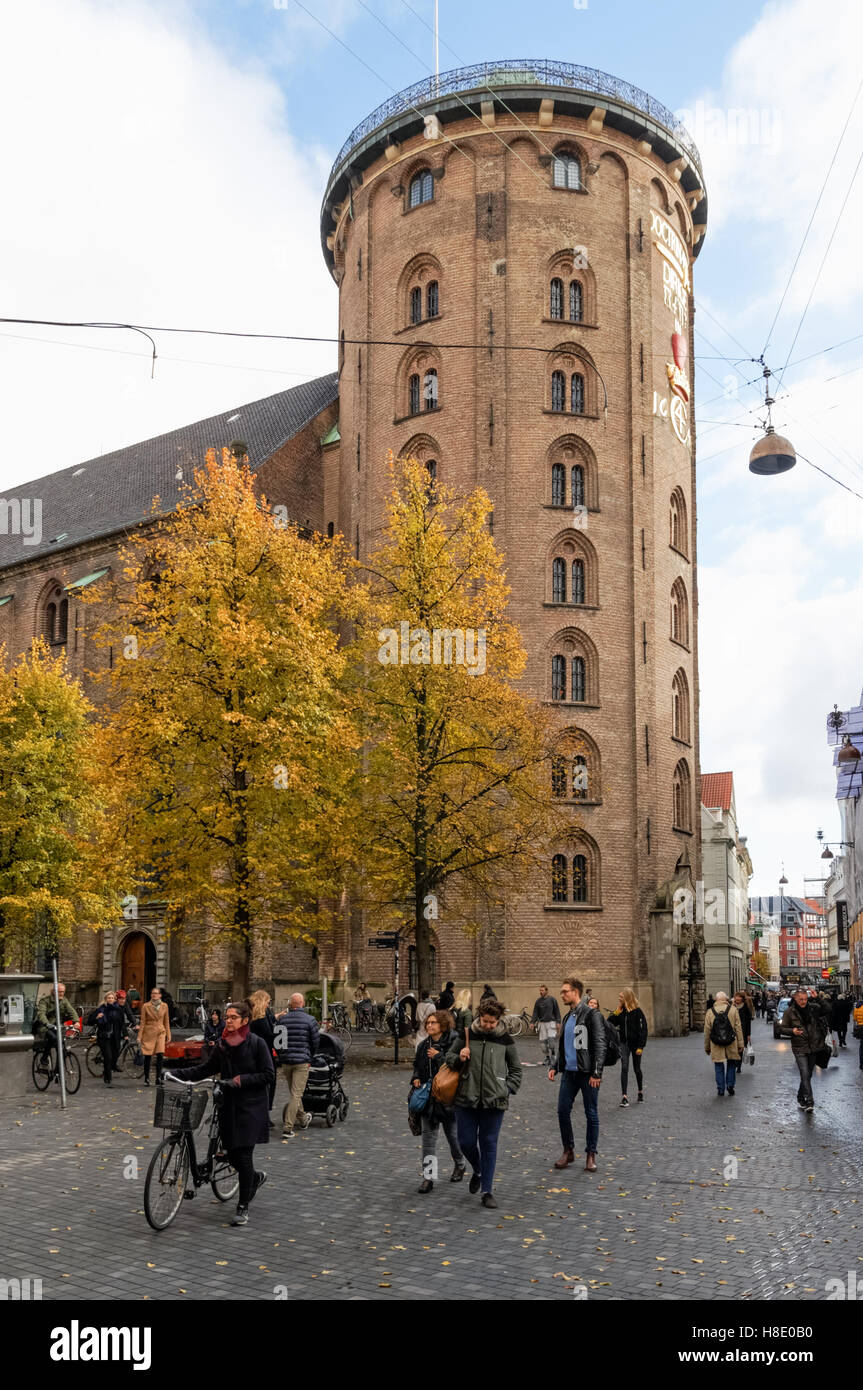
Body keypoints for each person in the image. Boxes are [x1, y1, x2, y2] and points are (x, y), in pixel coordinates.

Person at [166, 999, 273, 1227]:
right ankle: (254, 1178)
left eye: (233, 1017)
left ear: (245, 1020)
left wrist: (241, 1080)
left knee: (243, 1156)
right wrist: (176, 1073)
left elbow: (268, 1074)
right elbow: (205, 1069)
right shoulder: (223, 1045)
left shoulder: (257, 1043)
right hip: (227, 1104)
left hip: (250, 1107)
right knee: (231, 1154)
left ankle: (243, 1205)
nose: (229, 1021)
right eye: (227, 1017)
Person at [445, 998, 522, 1209]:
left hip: (494, 1101)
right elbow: (449, 1057)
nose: (488, 1025)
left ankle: (487, 1190)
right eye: (485, 1021)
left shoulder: (505, 1039)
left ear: (498, 1020)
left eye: (492, 1022)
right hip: (465, 1098)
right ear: (480, 1016)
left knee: (489, 1143)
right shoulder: (468, 1033)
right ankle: (477, 1170)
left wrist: (507, 1089)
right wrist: (459, 1057)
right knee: (465, 1141)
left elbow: (516, 1070)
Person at [549, 977, 606, 1173]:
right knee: (562, 1111)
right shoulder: (567, 1017)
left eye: (565, 991)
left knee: (591, 1113)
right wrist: (555, 1066)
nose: (562, 994)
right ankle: (568, 1150)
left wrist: (597, 1072)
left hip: (587, 1073)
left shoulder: (591, 1015)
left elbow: (600, 1044)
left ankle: (591, 1154)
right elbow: (564, 1045)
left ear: (575, 992)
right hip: (569, 1074)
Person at [411, 1010, 465, 1192]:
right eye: (427, 1023)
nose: (429, 1026)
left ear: (442, 1024)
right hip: (429, 1098)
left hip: (448, 1097)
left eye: (433, 1023)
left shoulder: (453, 1042)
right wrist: (416, 1077)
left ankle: (460, 1164)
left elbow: (457, 1065)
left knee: (453, 1137)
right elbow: (417, 1065)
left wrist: (438, 1056)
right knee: (428, 1140)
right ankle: (429, 1177)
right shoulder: (423, 1045)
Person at [779, 985, 831, 1112]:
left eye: (805, 999)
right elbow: (781, 1028)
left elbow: (828, 1009)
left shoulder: (813, 1008)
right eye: (800, 999)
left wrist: (818, 998)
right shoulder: (789, 1012)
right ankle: (809, 1101)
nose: (803, 1002)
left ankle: (800, 1097)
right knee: (804, 1073)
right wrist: (792, 1031)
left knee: (808, 1075)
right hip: (799, 1047)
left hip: (814, 1046)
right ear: (795, 999)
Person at [275, 992, 319, 1137]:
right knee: (296, 1094)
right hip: (302, 1062)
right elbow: (315, 1042)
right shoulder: (310, 1020)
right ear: (303, 1003)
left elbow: (277, 1042)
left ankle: (303, 1118)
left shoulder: (282, 1020)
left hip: (286, 1061)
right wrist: (309, 1056)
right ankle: (288, 1127)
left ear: (290, 1004)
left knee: (295, 1093)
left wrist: (282, 1055)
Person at [608, 988, 648, 1105]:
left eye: (621, 997)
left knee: (637, 1069)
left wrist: (641, 1046)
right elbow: (609, 1024)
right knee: (624, 1068)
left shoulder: (637, 1012)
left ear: (627, 998)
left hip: (636, 1045)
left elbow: (643, 1030)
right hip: (623, 1044)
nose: (619, 999)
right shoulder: (621, 1012)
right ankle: (624, 1096)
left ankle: (640, 1091)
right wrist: (616, 1011)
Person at [704, 992, 743, 1097]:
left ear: (716, 1000)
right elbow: (738, 1028)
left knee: (718, 1064)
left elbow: (707, 1031)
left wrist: (707, 1047)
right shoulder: (733, 1010)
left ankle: (720, 1089)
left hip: (716, 1043)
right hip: (731, 1042)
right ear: (726, 999)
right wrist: (741, 1044)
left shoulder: (710, 1012)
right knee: (731, 1063)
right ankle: (730, 1085)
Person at [248, 990, 277, 1122]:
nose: (268, 1004)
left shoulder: (251, 1017)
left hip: (252, 1056)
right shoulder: (261, 1020)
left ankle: (258, 1112)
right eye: (267, 1002)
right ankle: (264, 1113)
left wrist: (275, 1017)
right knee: (268, 1085)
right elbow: (269, 1036)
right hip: (264, 1057)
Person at [88, 991, 125, 1086]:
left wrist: (126, 1034)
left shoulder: (118, 1010)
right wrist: (97, 1017)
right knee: (108, 1056)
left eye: (112, 998)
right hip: (104, 1036)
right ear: (106, 999)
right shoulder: (101, 1009)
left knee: (115, 1055)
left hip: (115, 1036)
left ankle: (107, 1070)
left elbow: (122, 1023)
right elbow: (89, 1021)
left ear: (115, 999)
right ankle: (108, 1077)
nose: (110, 999)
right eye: (109, 998)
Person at [138, 986, 171, 1086]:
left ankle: (158, 1078)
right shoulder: (145, 1006)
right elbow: (142, 1022)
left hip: (161, 1032)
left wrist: (168, 1034)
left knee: (160, 1055)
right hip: (149, 1032)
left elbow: (166, 1021)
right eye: (152, 993)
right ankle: (147, 1078)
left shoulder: (165, 1006)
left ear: (160, 995)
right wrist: (139, 1036)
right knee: (148, 1056)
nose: (154, 995)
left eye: (156, 993)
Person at [33, 983, 78, 1056]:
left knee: (61, 1046)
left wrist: (76, 1021)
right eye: (59, 992)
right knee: (54, 1038)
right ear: (53, 991)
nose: (61, 994)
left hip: (57, 1027)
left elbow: (71, 1011)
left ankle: (59, 1066)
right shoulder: (45, 1001)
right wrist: (47, 1023)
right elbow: (41, 1014)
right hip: (45, 1027)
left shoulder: (64, 1001)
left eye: (63, 992)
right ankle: (44, 1057)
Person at [531, 985, 561, 1069]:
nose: (541, 992)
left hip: (551, 1023)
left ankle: (553, 1055)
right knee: (543, 1045)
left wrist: (558, 1021)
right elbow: (535, 1013)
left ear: (547, 991)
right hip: (542, 1024)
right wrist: (532, 1022)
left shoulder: (552, 1000)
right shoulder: (538, 1001)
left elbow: (557, 1011)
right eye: (540, 990)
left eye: (543, 990)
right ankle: (547, 1057)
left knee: (551, 1042)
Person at [733, 991, 752, 1064]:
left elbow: (748, 1022)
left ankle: (739, 1064)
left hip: (743, 1031)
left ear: (742, 998)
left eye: (739, 996)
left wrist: (748, 1034)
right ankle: (735, 1062)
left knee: (741, 1048)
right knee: (734, 1047)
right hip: (733, 1031)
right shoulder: (732, 1007)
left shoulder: (745, 1007)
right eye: (736, 996)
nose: (737, 998)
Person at [854, 995, 863, 1070]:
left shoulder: (857, 1007)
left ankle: (861, 1063)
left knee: (862, 1046)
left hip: (860, 1028)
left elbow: (855, 1018)